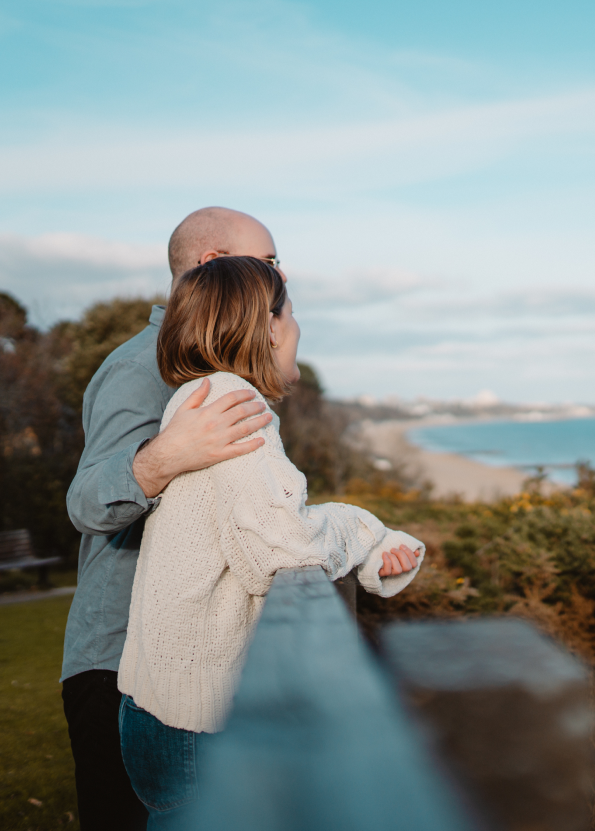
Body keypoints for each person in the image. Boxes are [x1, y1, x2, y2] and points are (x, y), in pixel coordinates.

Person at [117, 256, 424, 830]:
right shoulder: (233, 401)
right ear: (268, 325)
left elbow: (269, 523)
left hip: (158, 704)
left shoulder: (201, 396)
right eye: (294, 313)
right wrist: (363, 529)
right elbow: (282, 549)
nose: (301, 330)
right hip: (192, 719)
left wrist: (363, 535)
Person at [61, 208, 287, 831]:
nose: (282, 274)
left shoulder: (213, 370)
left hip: (183, 665)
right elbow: (86, 503)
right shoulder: (145, 367)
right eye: (269, 262)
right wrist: (168, 456)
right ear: (217, 265)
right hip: (121, 667)